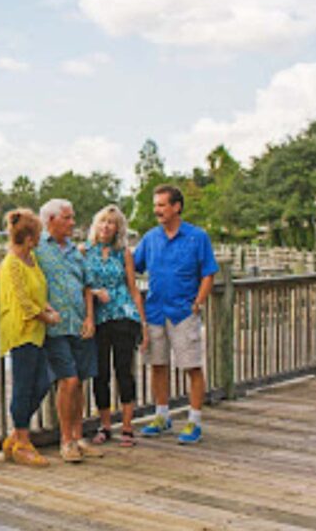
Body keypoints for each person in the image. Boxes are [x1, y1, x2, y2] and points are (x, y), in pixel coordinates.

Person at [0, 199, 100, 462]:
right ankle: (34, 439)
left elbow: (82, 284)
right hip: (38, 330)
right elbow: (6, 265)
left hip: (66, 325)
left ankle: (64, 437)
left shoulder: (71, 252)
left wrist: (88, 316)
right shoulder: (35, 249)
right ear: (49, 222)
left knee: (56, 384)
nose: (73, 222)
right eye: (68, 217)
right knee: (55, 381)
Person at [135, 185, 218, 444]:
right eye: (156, 205)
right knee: (157, 366)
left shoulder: (197, 237)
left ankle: (194, 422)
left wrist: (198, 302)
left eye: (161, 205)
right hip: (155, 312)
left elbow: (208, 273)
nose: (157, 210)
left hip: (183, 312)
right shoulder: (150, 239)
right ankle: (162, 416)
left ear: (176, 206)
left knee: (192, 366)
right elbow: (132, 267)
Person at [0, 208, 60, 467]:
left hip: (37, 331)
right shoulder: (12, 263)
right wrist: (47, 317)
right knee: (23, 386)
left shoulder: (31, 259)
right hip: (21, 330)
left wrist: (46, 309)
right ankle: (22, 440)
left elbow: (37, 295)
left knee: (43, 382)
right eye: (39, 235)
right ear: (30, 238)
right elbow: (23, 301)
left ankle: (15, 434)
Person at [82, 205, 146, 447]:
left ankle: (127, 427)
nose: (106, 226)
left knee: (123, 370)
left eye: (111, 222)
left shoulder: (124, 253)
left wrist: (143, 323)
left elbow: (132, 288)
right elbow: (80, 284)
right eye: (102, 222)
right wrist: (95, 291)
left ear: (118, 228)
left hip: (123, 315)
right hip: (98, 319)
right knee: (100, 373)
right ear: (95, 225)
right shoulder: (85, 251)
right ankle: (105, 425)